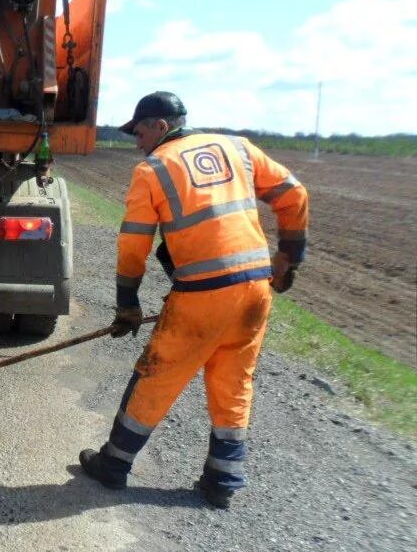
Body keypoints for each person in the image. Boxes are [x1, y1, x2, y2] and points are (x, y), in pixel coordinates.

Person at [77, 91, 309, 508]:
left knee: (157, 374)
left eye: (140, 131)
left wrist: (127, 303)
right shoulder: (237, 147)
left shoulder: (153, 169)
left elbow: (133, 245)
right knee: (234, 382)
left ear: (161, 127)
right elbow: (295, 196)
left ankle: (114, 464)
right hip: (255, 291)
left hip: (203, 296)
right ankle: (223, 480)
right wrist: (287, 260)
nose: (136, 141)